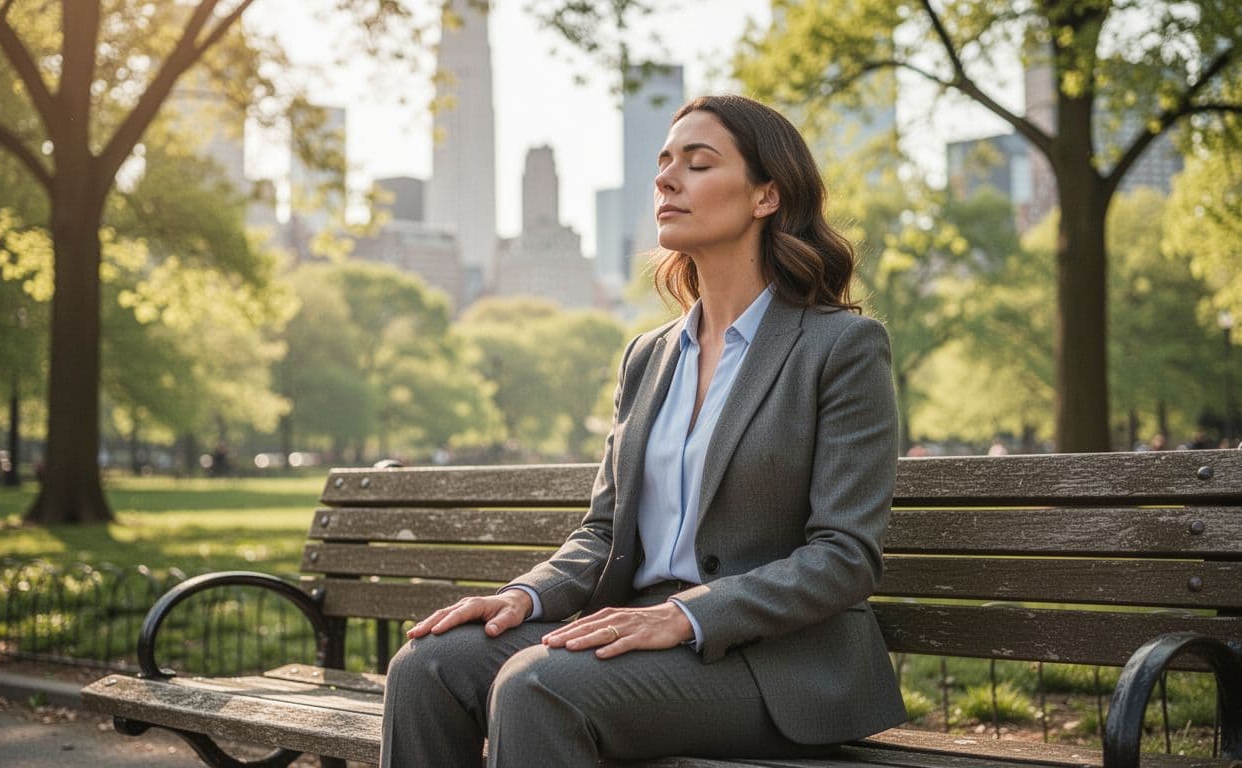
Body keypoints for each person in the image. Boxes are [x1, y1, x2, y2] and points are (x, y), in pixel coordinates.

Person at [379, 94, 905, 767]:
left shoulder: (841, 348)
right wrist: (526, 594)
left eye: (698, 162)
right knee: (428, 666)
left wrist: (685, 615)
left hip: (775, 665)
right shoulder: (649, 356)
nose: (666, 178)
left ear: (766, 196)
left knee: (539, 688)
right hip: (641, 637)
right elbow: (604, 532)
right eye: (663, 162)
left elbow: (844, 556)